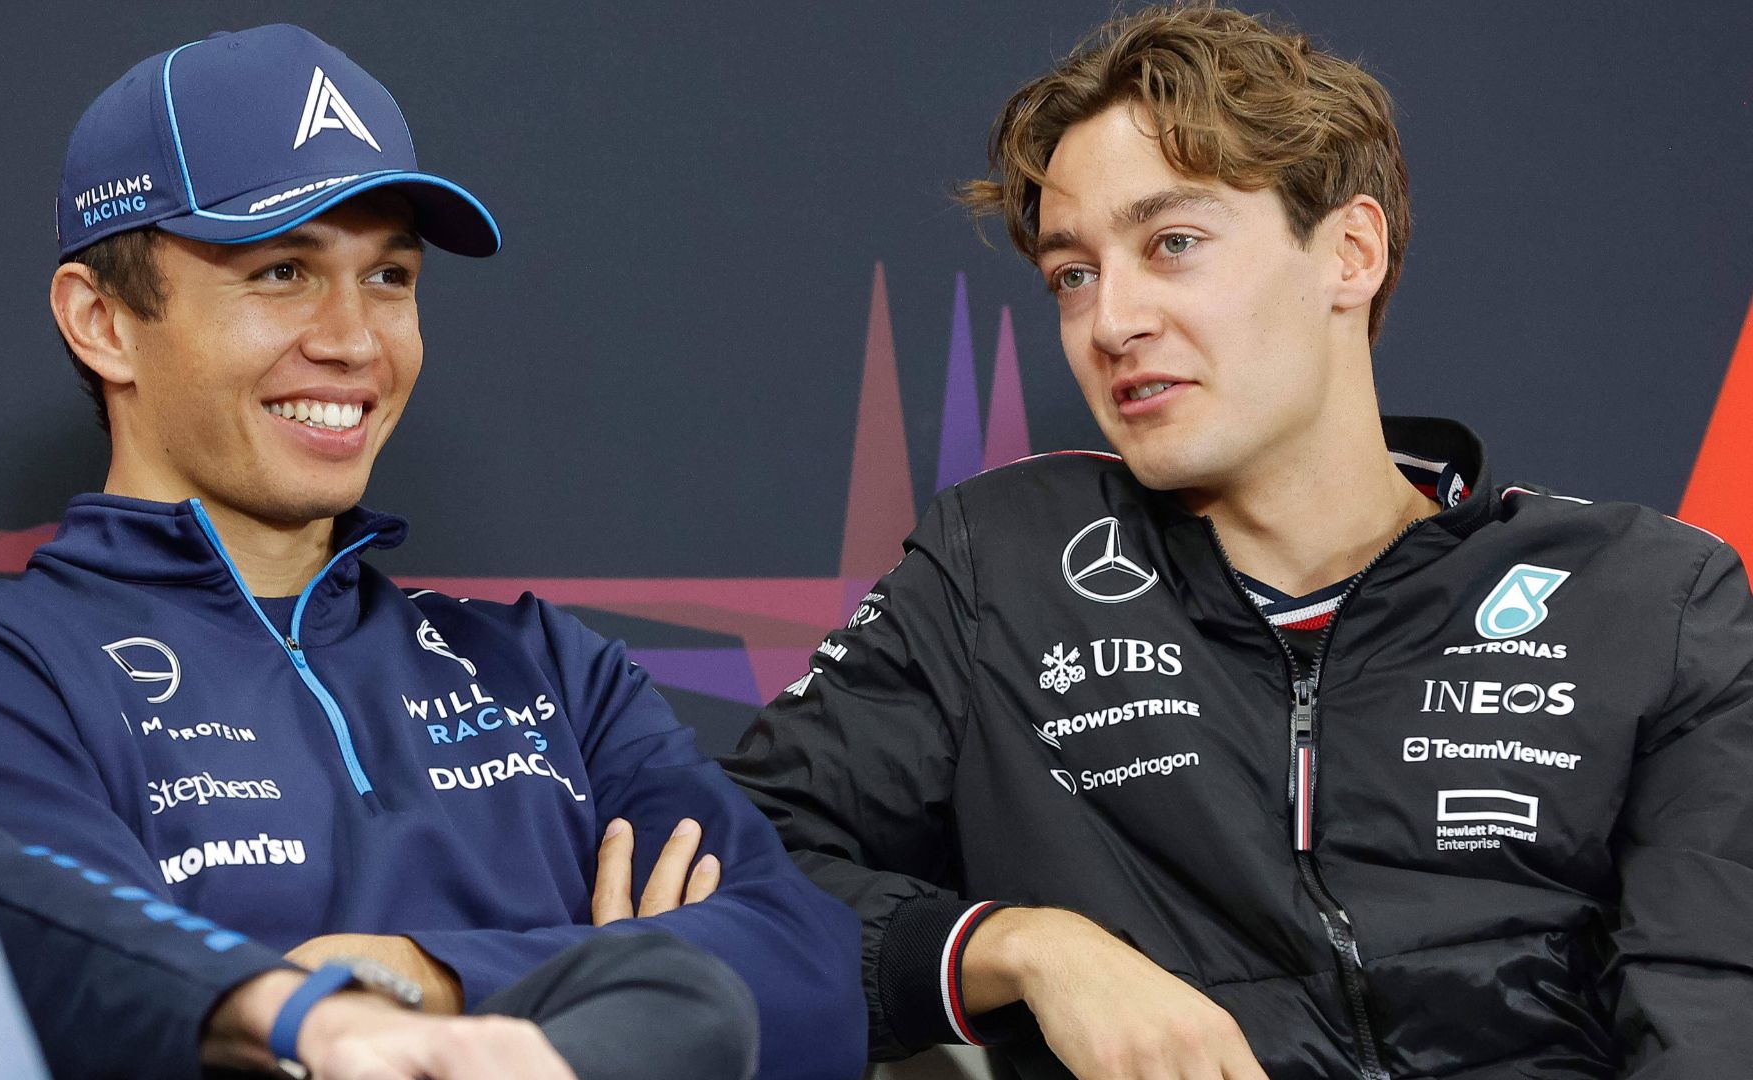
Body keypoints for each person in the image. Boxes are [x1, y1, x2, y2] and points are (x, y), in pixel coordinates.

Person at [722, 6, 1753, 1078]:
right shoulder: (1001, 570)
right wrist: (1024, 948)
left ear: (1349, 252)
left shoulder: (1645, 598)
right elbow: (722, 880)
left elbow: (1715, 1009)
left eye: (1173, 243)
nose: (1112, 320)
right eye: (1073, 274)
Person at [0, 23, 861, 1080]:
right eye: (282, 271)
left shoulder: (550, 670)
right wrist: (598, 968)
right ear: (101, 321)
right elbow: (110, 1010)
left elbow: (816, 985)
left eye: (389, 276)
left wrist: (424, 974)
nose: (355, 341)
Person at [0, 736, 746, 1079]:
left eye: (391, 291)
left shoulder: (542, 649)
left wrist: (349, 996)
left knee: (679, 987)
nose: (345, 340)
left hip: (315, 1041)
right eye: (274, 290)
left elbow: (805, 968)